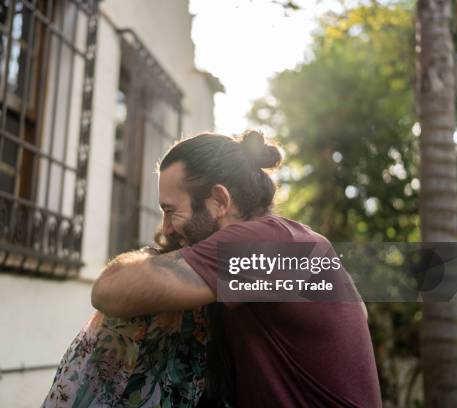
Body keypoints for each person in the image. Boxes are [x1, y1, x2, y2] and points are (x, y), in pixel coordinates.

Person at [92, 130, 382, 407]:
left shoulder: (260, 244)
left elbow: (108, 291)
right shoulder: (299, 239)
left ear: (219, 200)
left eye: (171, 211)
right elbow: (361, 312)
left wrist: (154, 255)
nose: (166, 228)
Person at [42, 232, 208, 408]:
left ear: (220, 204)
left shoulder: (231, 260)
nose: (166, 228)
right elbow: (101, 293)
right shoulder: (162, 265)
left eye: (172, 211)